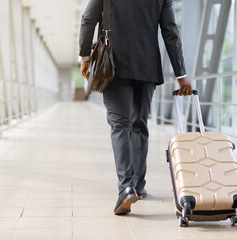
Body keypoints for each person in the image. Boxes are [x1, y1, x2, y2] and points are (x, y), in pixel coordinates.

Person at [78, 0, 193, 215]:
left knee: (120, 125)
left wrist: (85, 56)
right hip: (147, 67)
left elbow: (88, 19)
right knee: (139, 124)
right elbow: (170, 32)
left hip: (113, 65)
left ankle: (126, 187)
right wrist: (181, 74)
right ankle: (138, 186)